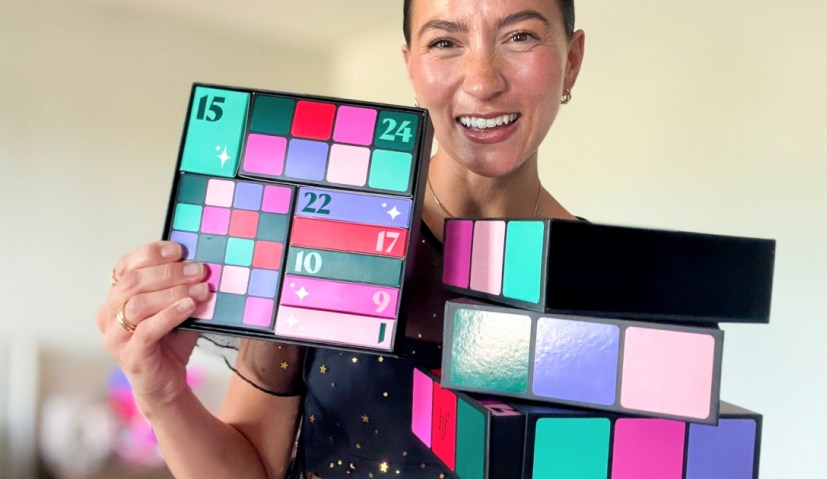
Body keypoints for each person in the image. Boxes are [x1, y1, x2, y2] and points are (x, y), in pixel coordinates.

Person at [96, 0, 585, 477]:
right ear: (412, 69)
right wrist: (163, 397)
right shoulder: (325, 227)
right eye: (444, 42)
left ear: (571, 62)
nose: (482, 81)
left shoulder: (606, 282)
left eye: (520, 36)